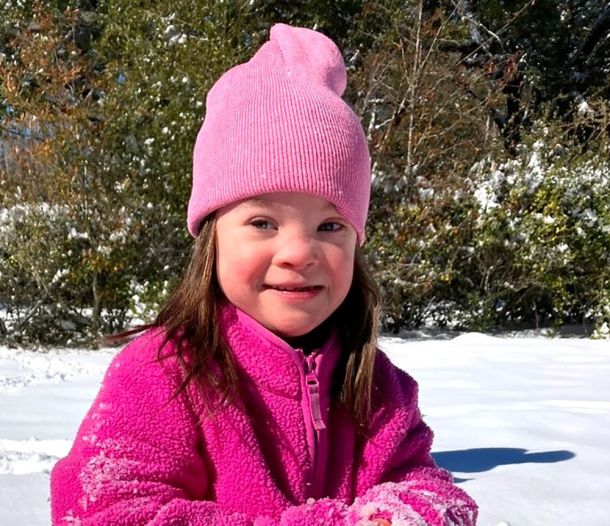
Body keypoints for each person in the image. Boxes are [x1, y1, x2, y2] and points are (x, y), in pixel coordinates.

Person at [50, 23, 477, 526]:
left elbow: (429, 488)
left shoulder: (378, 385)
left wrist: (401, 517)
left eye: (330, 225)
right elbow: (105, 511)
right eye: (262, 223)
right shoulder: (162, 373)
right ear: (213, 237)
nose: (298, 252)